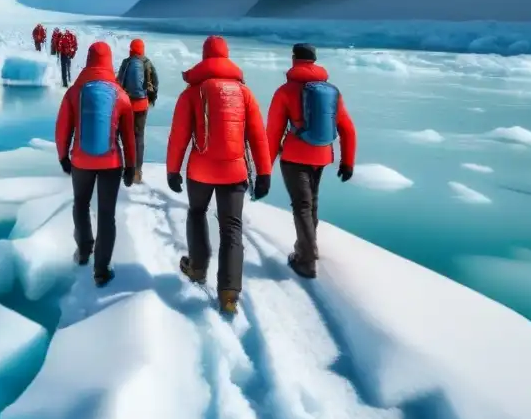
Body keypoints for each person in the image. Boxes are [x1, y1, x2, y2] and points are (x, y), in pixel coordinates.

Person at [166, 35, 272, 316]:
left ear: (205, 57)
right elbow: (258, 137)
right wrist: (264, 172)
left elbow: (179, 136)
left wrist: (172, 169)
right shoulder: (244, 92)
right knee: (232, 229)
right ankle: (229, 294)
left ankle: (197, 268)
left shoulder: (192, 92)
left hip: (200, 170)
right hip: (235, 170)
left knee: (197, 212)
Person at [265, 43, 357, 280]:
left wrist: (265, 167)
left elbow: (273, 133)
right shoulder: (331, 91)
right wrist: (347, 162)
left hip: (294, 156)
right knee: (311, 203)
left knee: (302, 206)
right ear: (315, 61)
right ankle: (308, 248)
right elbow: (347, 128)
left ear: (294, 59)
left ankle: (306, 260)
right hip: (322, 156)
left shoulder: (285, 91)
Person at [55, 41, 136, 287]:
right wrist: (131, 166)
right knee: (106, 214)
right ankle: (101, 270)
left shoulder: (74, 92)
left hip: (81, 160)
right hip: (111, 162)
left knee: (81, 204)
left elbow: (62, 128)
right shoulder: (120, 95)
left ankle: (83, 251)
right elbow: (128, 136)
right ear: (109, 62)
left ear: (88, 59)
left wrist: (63, 156)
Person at [116, 38, 159, 184]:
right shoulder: (147, 63)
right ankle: (137, 171)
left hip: (128, 105)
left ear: (131, 49)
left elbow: (118, 82)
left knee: (127, 137)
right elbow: (155, 82)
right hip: (142, 105)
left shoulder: (126, 62)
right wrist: (151, 99)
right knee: (139, 137)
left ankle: (128, 168)